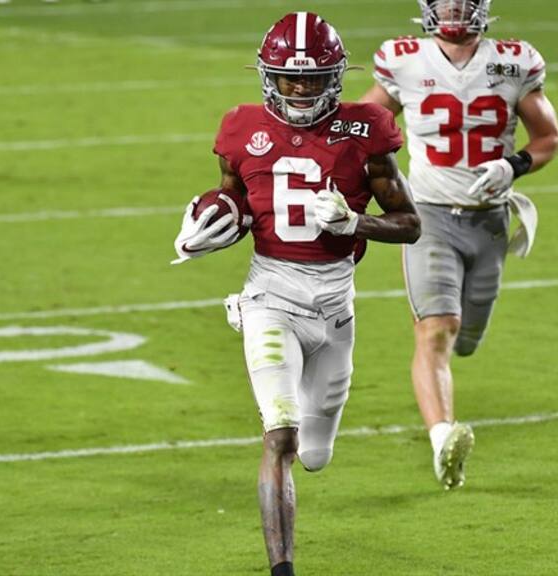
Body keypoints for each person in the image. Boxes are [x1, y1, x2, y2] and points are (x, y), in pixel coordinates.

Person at [172, 12, 420, 576]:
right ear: (269, 77)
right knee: (280, 434)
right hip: (270, 296)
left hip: (334, 307)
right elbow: (231, 195)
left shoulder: (367, 129)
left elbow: (409, 223)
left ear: (335, 77)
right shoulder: (239, 128)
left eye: (312, 78)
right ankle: (282, 568)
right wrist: (208, 225)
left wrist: (354, 223)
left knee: (314, 454)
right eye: (289, 78)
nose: (301, 88)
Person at [360, 0, 558, 490]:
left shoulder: (514, 61)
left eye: (461, 3)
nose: (453, 12)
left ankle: (444, 414)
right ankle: (442, 438)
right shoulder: (403, 59)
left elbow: (548, 137)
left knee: (464, 337)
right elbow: (362, 127)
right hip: (427, 215)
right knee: (436, 329)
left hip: (488, 220)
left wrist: (512, 165)